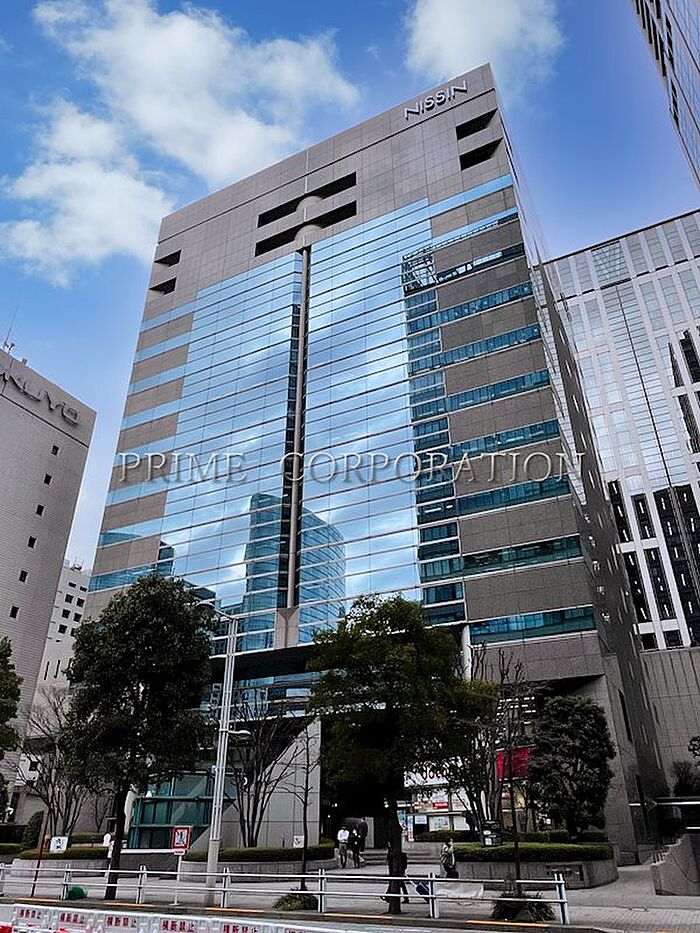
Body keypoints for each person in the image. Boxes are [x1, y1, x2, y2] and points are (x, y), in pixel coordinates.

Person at [384, 840, 410, 905]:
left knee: (395, 884)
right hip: (398, 871)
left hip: (397, 871)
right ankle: (405, 898)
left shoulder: (396, 855)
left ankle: (388, 896)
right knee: (400, 885)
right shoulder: (398, 855)